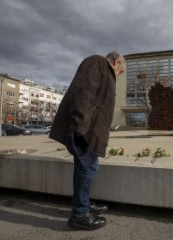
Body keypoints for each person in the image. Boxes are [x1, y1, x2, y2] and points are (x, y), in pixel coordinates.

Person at [49, 52, 125, 230]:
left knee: (86, 167)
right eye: (120, 72)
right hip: (86, 129)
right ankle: (80, 215)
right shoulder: (97, 62)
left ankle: (83, 204)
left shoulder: (102, 68)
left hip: (90, 129)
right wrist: (80, 127)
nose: (118, 76)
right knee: (88, 168)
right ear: (116, 62)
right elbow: (84, 92)